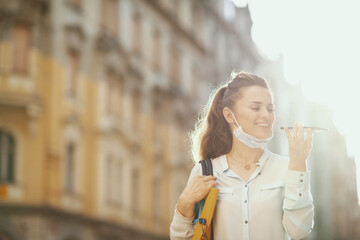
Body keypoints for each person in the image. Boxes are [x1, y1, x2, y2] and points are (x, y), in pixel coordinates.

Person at [170, 71, 314, 240]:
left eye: (270, 108)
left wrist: (298, 164)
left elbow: (299, 231)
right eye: (255, 107)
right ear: (230, 115)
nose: (266, 115)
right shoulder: (205, 171)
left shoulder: (287, 168)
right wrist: (184, 203)